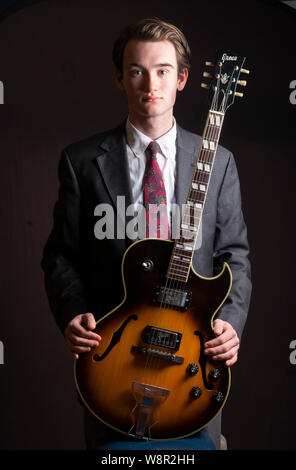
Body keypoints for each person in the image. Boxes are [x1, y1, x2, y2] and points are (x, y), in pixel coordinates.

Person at [41, 17, 252, 450]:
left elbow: (235, 257)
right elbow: (61, 255)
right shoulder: (81, 161)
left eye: (162, 70)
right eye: (136, 70)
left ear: (183, 79)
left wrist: (230, 322)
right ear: (120, 78)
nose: (149, 83)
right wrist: (72, 312)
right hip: (114, 360)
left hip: (191, 360)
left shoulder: (220, 162)